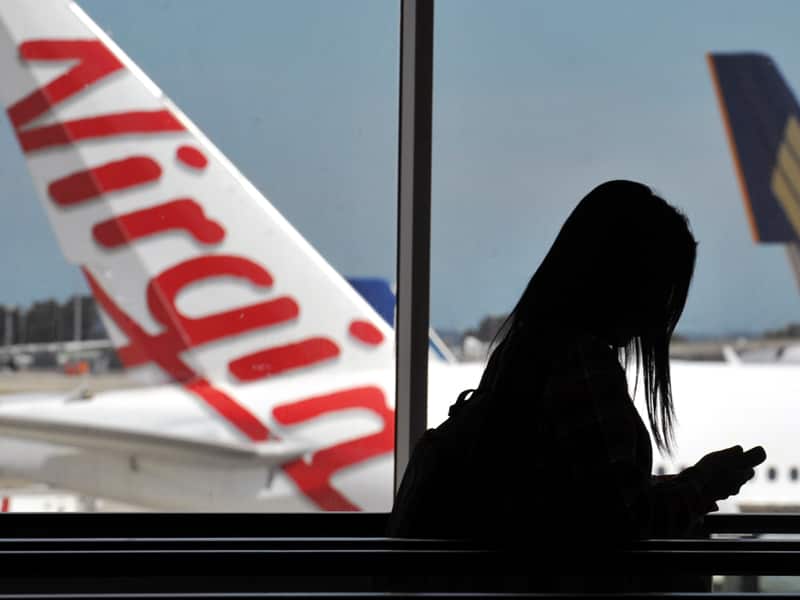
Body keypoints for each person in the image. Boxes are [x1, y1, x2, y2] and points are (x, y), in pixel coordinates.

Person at [387, 180, 765, 589]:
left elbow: (578, 499)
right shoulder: (581, 364)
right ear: (624, 281)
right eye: (659, 290)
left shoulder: (524, 351)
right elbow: (620, 525)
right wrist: (702, 484)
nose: (657, 314)